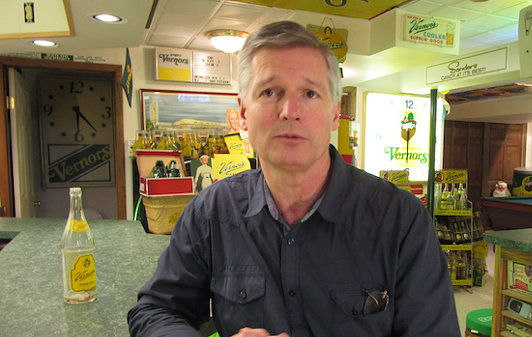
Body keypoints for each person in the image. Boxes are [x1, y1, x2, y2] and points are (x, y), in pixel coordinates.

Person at [128, 21, 461, 337]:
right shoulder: (212, 212)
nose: (289, 110)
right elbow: (155, 310)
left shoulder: (401, 222)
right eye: (270, 92)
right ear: (243, 113)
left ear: (334, 112)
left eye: (310, 93)